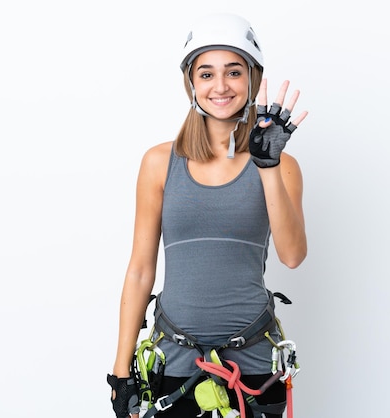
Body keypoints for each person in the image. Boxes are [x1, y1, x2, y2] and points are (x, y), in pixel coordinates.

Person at [107, 12, 308, 418]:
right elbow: (140, 270)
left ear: (252, 77)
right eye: (206, 74)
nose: (220, 86)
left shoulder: (281, 165)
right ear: (191, 83)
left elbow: (292, 255)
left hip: (252, 366)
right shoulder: (159, 163)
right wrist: (120, 372)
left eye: (234, 72)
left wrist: (267, 166)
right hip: (172, 363)